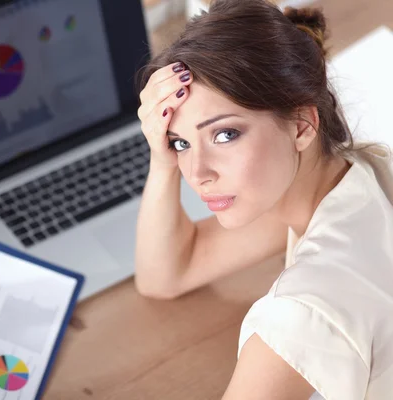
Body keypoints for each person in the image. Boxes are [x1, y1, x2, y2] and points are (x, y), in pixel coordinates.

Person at [134, 0, 393, 398]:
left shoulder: (301, 314)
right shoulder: (357, 176)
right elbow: (164, 276)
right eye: (182, 142)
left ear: (302, 126)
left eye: (225, 134)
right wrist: (162, 158)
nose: (198, 173)